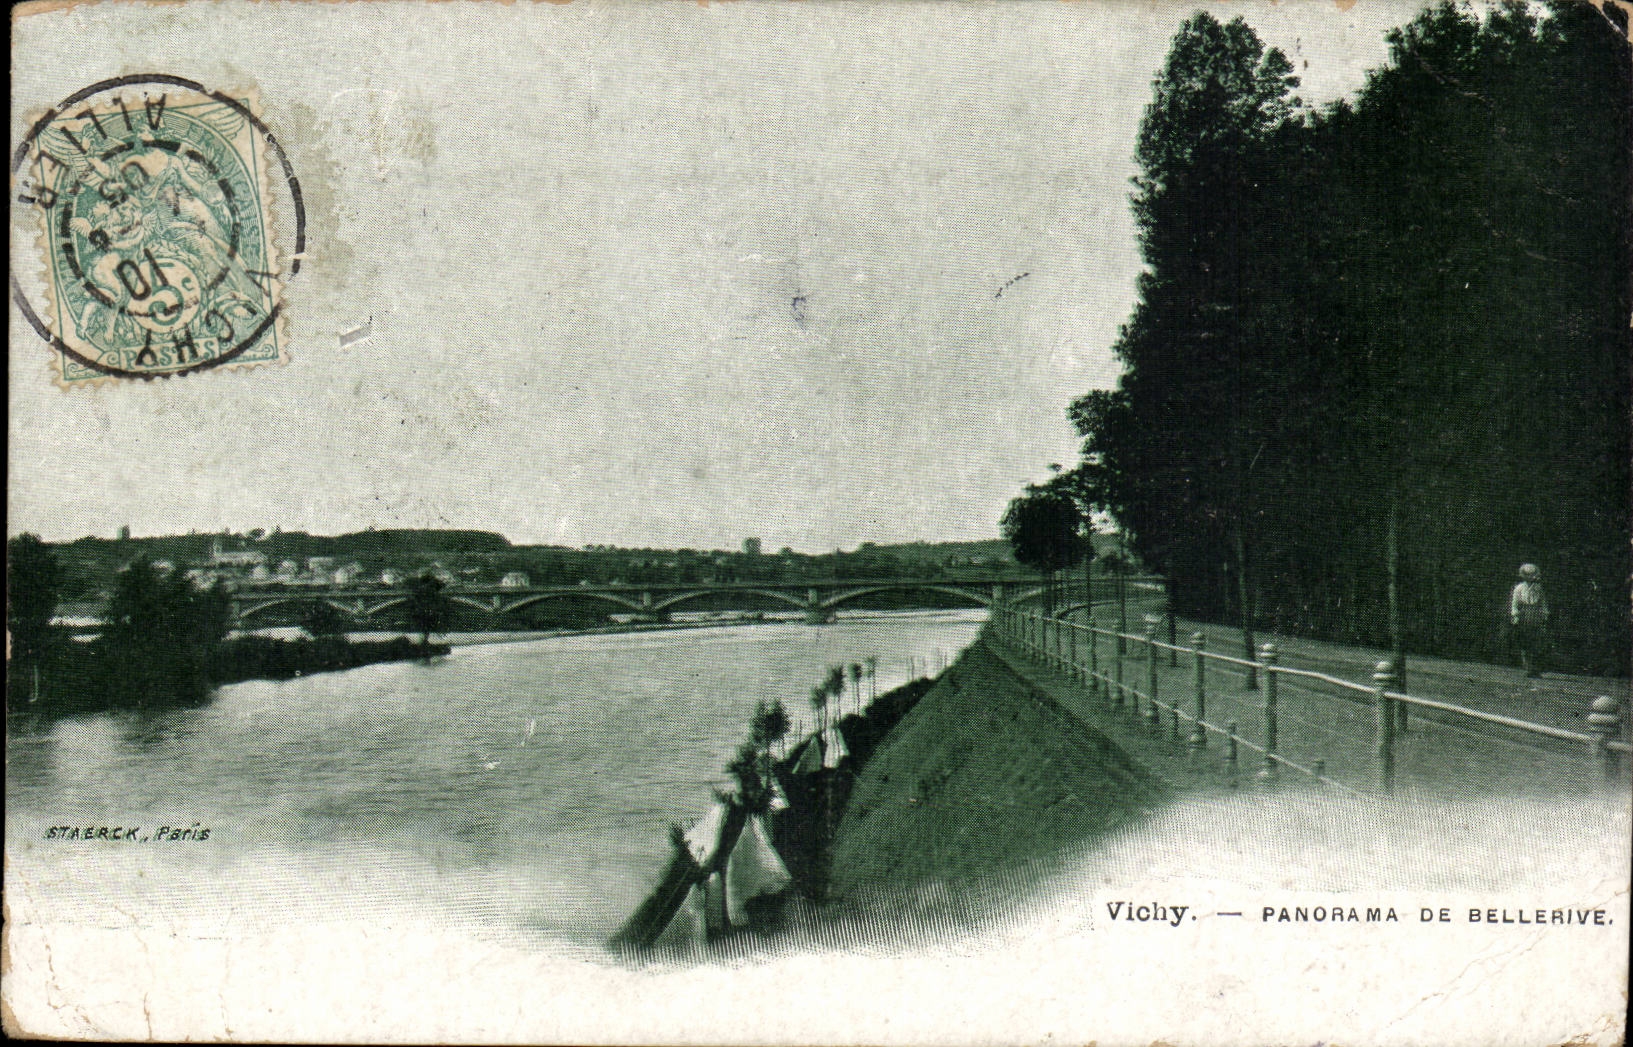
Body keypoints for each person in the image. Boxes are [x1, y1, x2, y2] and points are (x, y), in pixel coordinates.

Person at [1510, 563, 1550, 678]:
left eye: (1533, 575)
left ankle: (1535, 669)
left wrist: (1545, 616)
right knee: (1525, 643)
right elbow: (1515, 604)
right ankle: (1528, 668)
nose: (1531, 578)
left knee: (1537, 643)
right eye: (1528, 575)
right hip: (1524, 617)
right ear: (1523, 576)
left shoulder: (1538, 588)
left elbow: (1543, 604)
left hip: (1536, 617)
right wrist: (1515, 617)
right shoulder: (1519, 588)